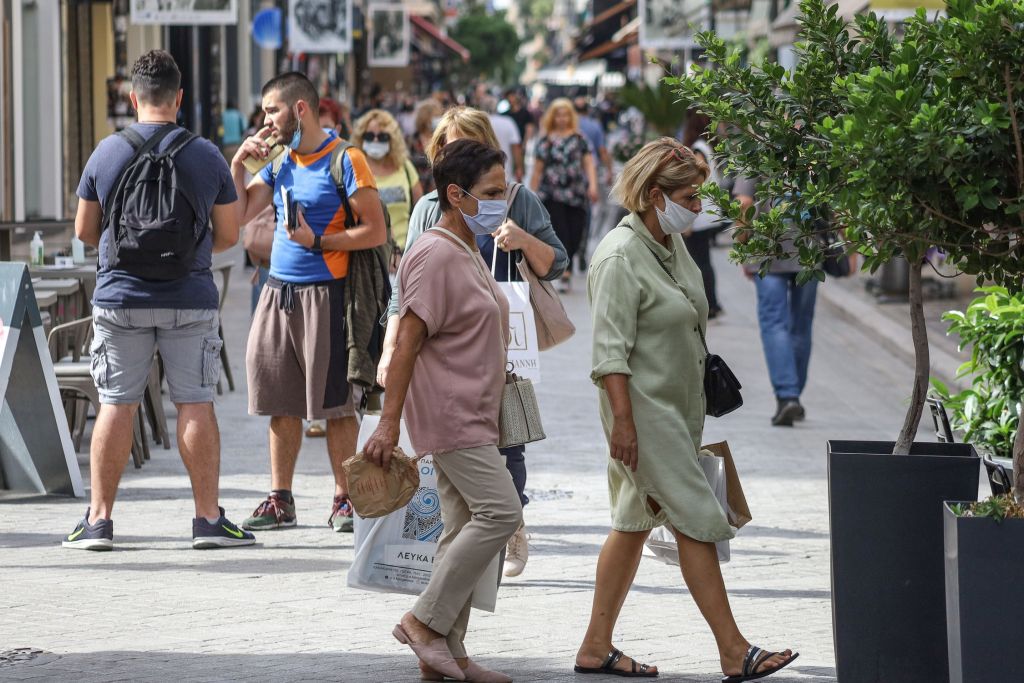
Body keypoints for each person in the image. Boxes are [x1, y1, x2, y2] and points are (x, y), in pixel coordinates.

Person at [577, 138, 798, 680]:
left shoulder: (670, 245)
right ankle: (733, 649)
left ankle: (594, 646)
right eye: (690, 196)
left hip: (676, 410)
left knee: (632, 522)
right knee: (699, 520)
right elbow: (608, 355)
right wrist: (624, 425)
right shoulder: (618, 256)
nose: (698, 207)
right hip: (642, 415)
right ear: (655, 194)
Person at [64, 49, 254, 551]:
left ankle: (99, 521)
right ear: (180, 98)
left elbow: (85, 229)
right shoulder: (206, 154)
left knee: (115, 403)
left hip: (120, 297)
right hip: (189, 298)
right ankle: (208, 521)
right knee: (195, 402)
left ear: (133, 98)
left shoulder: (106, 152)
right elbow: (230, 235)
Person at [379, 106, 568, 578]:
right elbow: (409, 292)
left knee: (511, 437)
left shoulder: (515, 200)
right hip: (450, 353)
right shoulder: (429, 211)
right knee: (469, 482)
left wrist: (521, 239)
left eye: (463, 145)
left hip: (509, 339)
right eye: (445, 147)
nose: (451, 155)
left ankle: (506, 528)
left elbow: (556, 262)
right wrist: (389, 350)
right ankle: (440, 609)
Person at [363, 139, 522, 683]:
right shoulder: (433, 253)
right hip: (451, 412)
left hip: (475, 410)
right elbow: (406, 342)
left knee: (460, 528)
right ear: (457, 195)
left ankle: (448, 656)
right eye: (493, 193)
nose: (504, 200)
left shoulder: (467, 247)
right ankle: (423, 622)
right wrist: (388, 421)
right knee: (501, 513)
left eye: (506, 190)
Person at [230, 72, 387, 533]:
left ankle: (345, 498)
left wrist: (319, 240)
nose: (267, 122)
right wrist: (238, 162)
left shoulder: (347, 159)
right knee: (279, 400)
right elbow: (239, 215)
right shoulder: (279, 163)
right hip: (278, 293)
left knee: (337, 404)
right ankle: (281, 499)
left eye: (272, 111)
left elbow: (375, 231)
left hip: (330, 295)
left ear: (299, 109)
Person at [733, 175, 816, 426]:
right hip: (810, 251)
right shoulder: (818, 144)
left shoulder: (756, 146)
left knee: (774, 324)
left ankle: (787, 395)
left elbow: (744, 202)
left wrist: (742, 247)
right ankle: (794, 395)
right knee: (801, 325)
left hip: (767, 250)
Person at [530, 98, 599, 293]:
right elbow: (537, 170)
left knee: (577, 232)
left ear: (571, 117)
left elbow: (588, 164)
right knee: (561, 232)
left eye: (566, 115)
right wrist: (531, 193)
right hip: (553, 194)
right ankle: (566, 272)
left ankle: (568, 261)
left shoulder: (579, 138)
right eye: (558, 115)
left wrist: (592, 185)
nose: (562, 119)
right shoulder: (546, 140)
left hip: (576, 193)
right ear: (553, 117)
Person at [352, 108, 423, 254]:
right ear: (361, 138)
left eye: (382, 136)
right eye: (370, 136)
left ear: (392, 139)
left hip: (404, 255)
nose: (376, 140)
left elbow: (421, 212)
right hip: (368, 257)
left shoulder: (405, 167)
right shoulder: (352, 170)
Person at [682, 111, 729, 319]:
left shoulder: (698, 149)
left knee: (699, 261)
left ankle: (710, 304)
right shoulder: (708, 147)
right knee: (703, 260)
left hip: (701, 215)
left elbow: (695, 184)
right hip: (709, 212)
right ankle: (712, 303)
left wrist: (688, 221)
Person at [572, 96, 613, 272]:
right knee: (586, 214)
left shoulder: (569, 125)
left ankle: (571, 251)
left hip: (569, 177)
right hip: (589, 177)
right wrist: (609, 169)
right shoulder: (595, 126)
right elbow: (602, 151)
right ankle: (581, 248)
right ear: (588, 111)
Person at [479, 95, 523, 183]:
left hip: (481, 174)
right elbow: (516, 148)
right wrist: (519, 168)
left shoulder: (478, 123)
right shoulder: (508, 122)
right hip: (505, 172)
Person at [408, 98, 445, 194]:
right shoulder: (411, 141)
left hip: (439, 190)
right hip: (417, 188)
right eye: (436, 116)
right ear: (425, 118)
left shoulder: (443, 139)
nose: (439, 119)